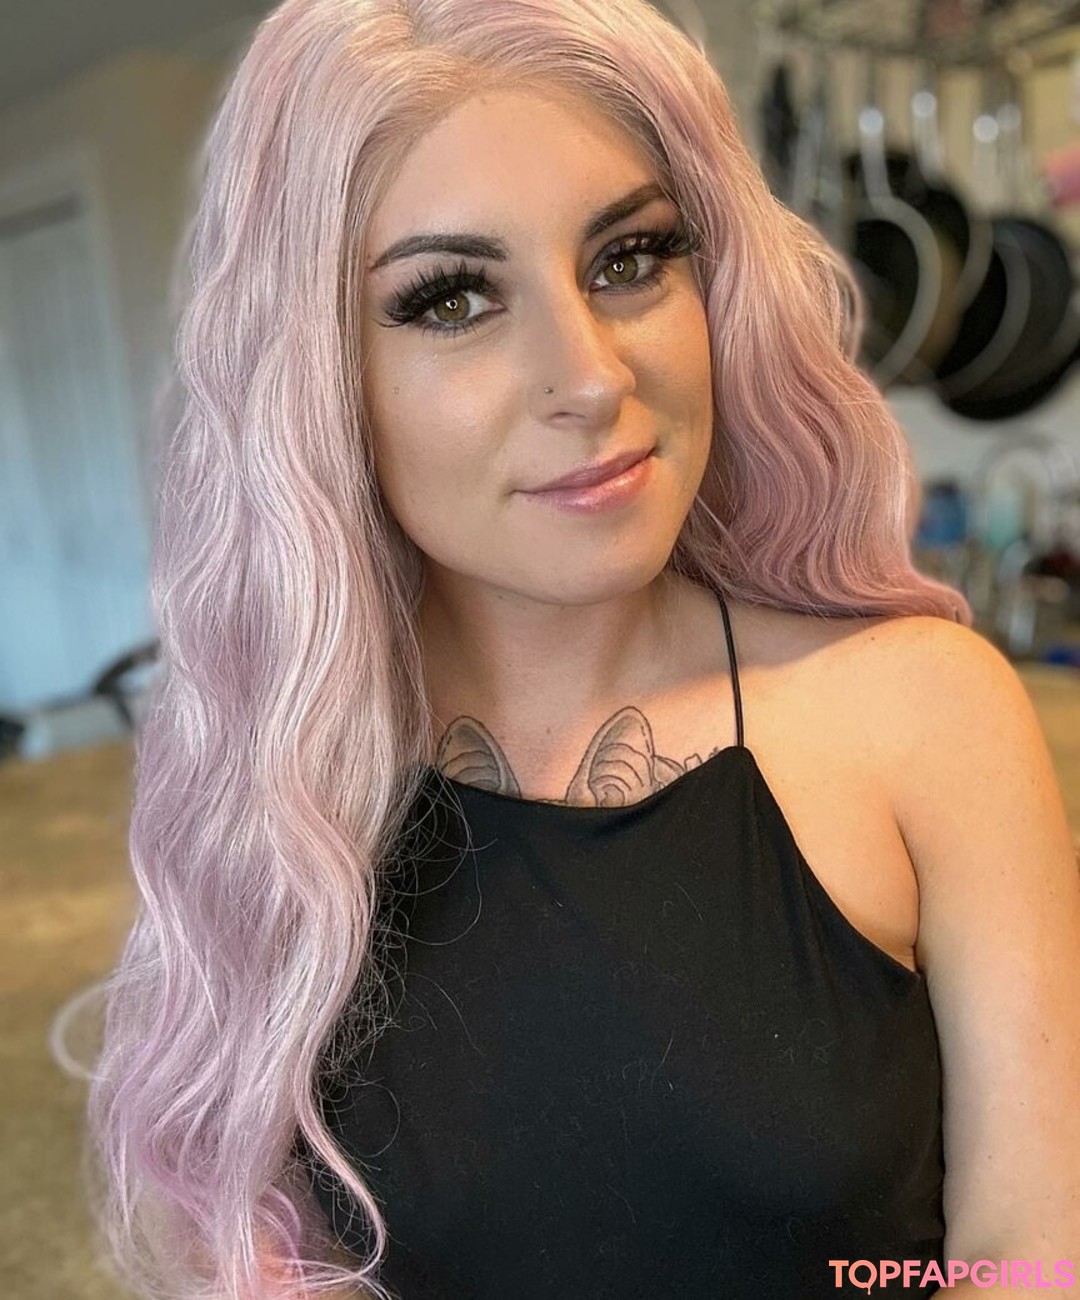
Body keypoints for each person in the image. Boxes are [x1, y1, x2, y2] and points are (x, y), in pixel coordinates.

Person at [85, 0, 1080, 1297]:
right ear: (316, 381)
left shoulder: (925, 714)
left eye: (629, 258)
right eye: (450, 298)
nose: (592, 375)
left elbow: (1031, 1257)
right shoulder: (281, 796)